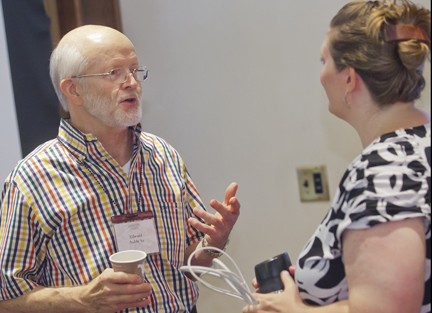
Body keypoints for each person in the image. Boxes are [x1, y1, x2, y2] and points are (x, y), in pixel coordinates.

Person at [0, 25, 240, 313]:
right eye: (114, 72)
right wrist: (82, 299)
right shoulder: (32, 178)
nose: (132, 83)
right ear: (73, 89)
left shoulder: (163, 156)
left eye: (135, 70)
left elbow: (185, 268)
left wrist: (214, 240)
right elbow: (6, 299)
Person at [243, 1, 431, 313]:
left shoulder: (384, 170)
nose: (320, 75)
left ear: (349, 78)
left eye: (324, 61)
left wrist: (296, 311)